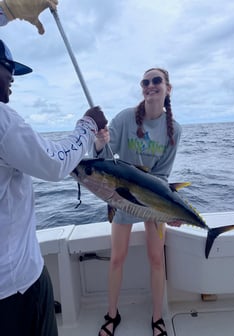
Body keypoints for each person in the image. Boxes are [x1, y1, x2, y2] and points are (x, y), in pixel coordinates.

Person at [0, 39, 108, 336]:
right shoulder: (3, 120)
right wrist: (88, 126)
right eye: (8, 68)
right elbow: (54, 164)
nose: (12, 79)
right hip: (16, 288)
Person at [95, 67, 182, 336]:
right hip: (122, 198)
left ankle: (157, 318)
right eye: (145, 82)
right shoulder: (125, 118)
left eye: (157, 80)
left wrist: (169, 210)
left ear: (168, 88)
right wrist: (99, 142)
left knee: (157, 259)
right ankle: (112, 314)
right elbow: (106, 158)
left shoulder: (174, 130)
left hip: (152, 201)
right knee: (116, 259)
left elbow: (163, 176)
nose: (150, 85)